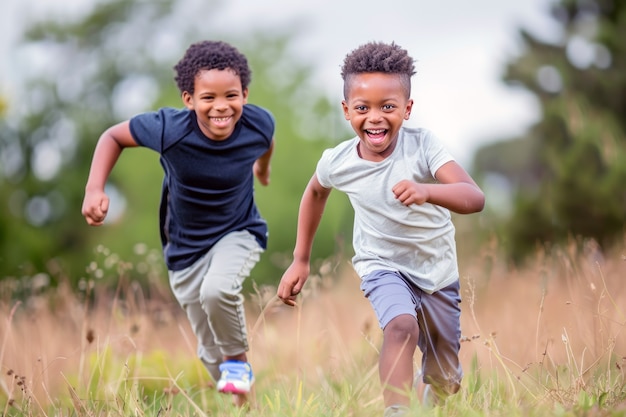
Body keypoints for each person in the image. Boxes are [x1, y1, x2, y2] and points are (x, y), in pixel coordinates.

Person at [277, 41, 485, 416]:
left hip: (436, 272)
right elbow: (314, 192)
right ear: (346, 111)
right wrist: (300, 259)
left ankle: (430, 393)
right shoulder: (337, 161)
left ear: (407, 109)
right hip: (381, 265)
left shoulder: (423, 148)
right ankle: (397, 412)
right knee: (401, 326)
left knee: (445, 380)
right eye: (362, 108)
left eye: (387, 106)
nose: (375, 117)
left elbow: (474, 197)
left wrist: (427, 191)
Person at [81, 40, 275, 408]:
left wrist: (262, 170)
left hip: (240, 230)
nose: (221, 107)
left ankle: (238, 361)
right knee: (207, 349)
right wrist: (94, 188)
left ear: (245, 95)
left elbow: (266, 142)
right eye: (208, 98)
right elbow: (113, 136)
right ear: (189, 99)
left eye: (231, 96)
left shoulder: (258, 123)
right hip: (184, 250)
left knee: (218, 291)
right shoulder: (170, 129)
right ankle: (245, 405)